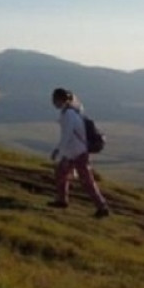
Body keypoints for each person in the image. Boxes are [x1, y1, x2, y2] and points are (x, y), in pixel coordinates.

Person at [49, 88, 110, 218]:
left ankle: (102, 207)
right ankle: (62, 200)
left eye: (55, 99)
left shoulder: (69, 115)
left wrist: (59, 152)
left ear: (61, 100)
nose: (54, 102)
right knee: (61, 173)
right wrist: (60, 151)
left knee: (86, 181)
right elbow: (68, 136)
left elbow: (67, 135)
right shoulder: (71, 113)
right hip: (74, 152)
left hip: (77, 153)